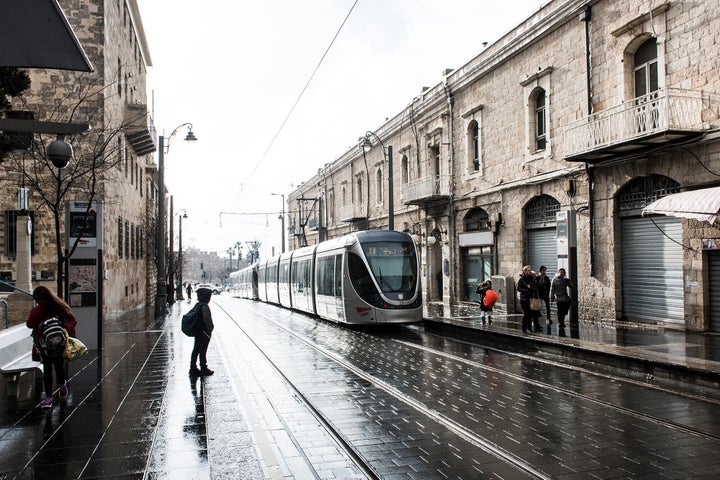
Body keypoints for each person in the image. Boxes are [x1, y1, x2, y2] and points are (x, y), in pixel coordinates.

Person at [26, 286, 77, 410]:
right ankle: (62, 385)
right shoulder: (59, 307)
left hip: (45, 346)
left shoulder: (37, 310)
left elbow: (29, 324)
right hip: (60, 343)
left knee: (47, 370)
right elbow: (72, 321)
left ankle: (48, 398)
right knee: (59, 366)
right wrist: (65, 329)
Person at [189, 287, 215, 377]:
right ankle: (203, 368)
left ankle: (193, 368)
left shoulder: (198, 305)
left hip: (198, 331)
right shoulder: (204, 306)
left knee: (196, 349)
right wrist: (209, 329)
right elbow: (206, 320)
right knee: (202, 350)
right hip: (203, 332)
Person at [517, 265, 540, 332]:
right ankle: (524, 327)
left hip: (531, 298)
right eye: (527, 270)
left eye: (530, 270)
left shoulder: (532, 279)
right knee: (526, 313)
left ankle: (529, 327)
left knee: (530, 313)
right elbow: (518, 288)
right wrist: (526, 290)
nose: (529, 272)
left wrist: (530, 288)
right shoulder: (522, 279)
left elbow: (535, 288)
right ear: (524, 271)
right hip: (524, 298)